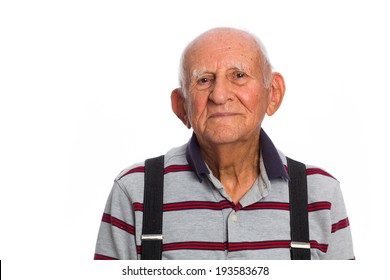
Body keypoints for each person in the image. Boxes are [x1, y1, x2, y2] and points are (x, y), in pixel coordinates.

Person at [94, 27, 354, 260]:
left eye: (239, 75)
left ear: (273, 94)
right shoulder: (134, 192)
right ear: (181, 106)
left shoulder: (321, 195)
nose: (219, 95)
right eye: (204, 80)